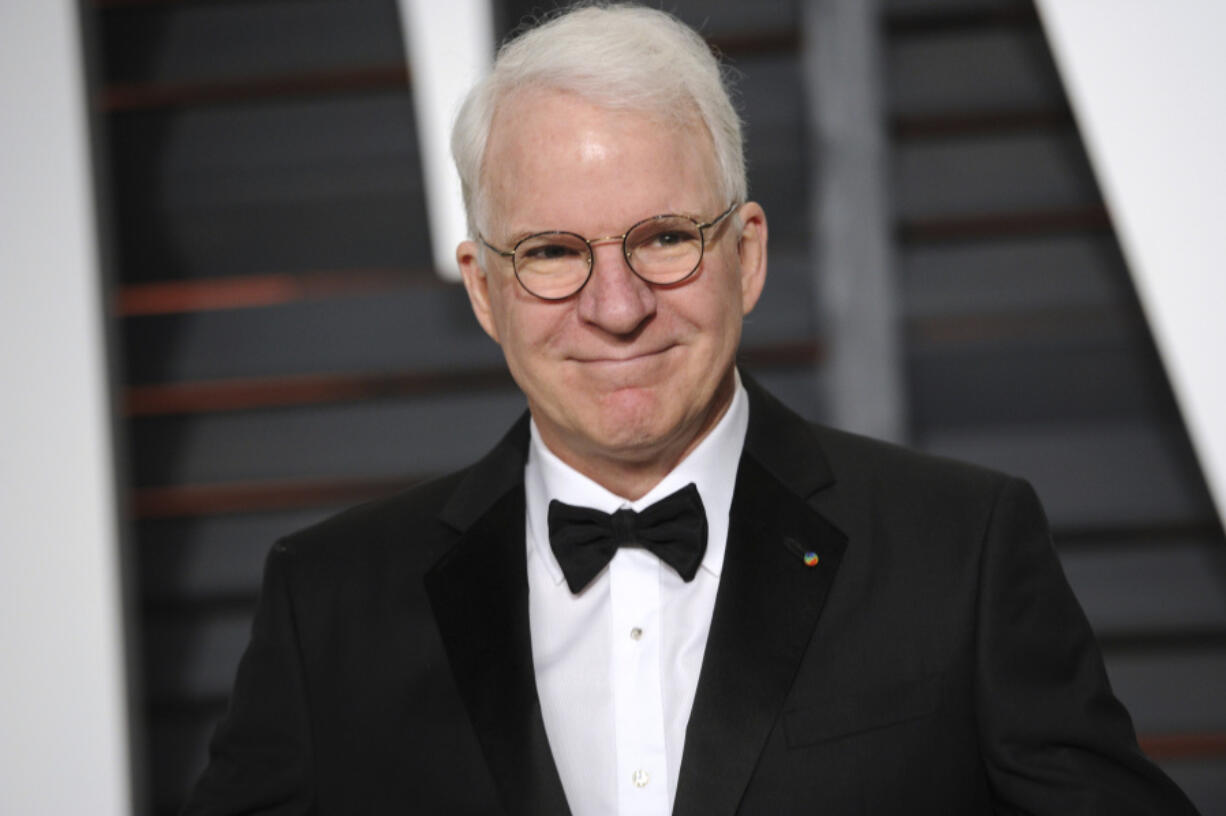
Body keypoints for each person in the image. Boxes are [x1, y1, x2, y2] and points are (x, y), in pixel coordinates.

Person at [182, 4, 1199, 815]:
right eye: (549, 253)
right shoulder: (328, 605)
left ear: (744, 255)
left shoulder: (961, 551)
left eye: (664, 237)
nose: (616, 307)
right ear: (483, 290)